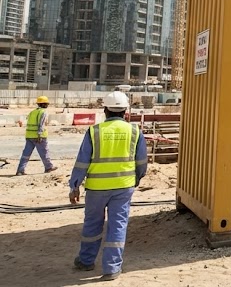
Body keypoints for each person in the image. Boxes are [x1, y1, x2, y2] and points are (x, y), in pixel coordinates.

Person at [69, 92, 147, 281]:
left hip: (96, 188)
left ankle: (86, 261)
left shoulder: (94, 132)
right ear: (126, 111)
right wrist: (136, 179)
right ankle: (112, 268)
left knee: (92, 225)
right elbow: (142, 162)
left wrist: (74, 186)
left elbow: (82, 162)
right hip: (123, 187)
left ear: (105, 110)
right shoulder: (135, 131)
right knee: (118, 226)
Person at [16, 96, 58, 175]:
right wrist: (39, 134)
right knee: (44, 152)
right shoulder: (43, 112)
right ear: (45, 104)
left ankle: (20, 170)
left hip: (29, 135)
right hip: (38, 136)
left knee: (26, 154)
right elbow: (41, 124)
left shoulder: (33, 112)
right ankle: (48, 167)